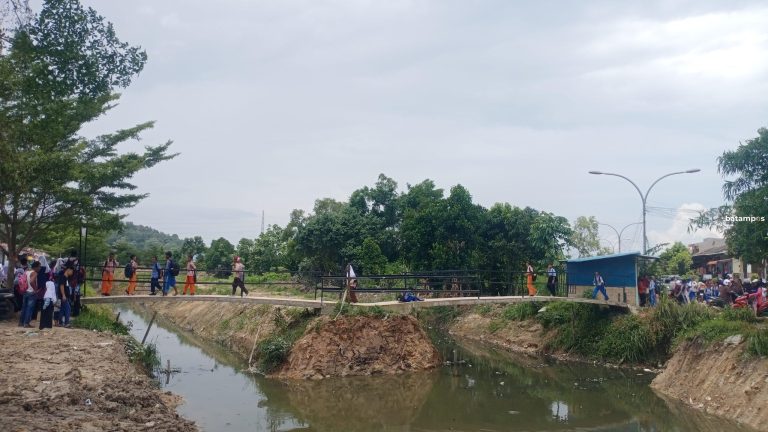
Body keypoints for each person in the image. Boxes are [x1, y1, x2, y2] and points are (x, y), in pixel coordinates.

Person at [19, 261, 40, 328]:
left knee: (24, 308)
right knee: (29, 308)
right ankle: (26, 323)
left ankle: (21, 322)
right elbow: (31, 281)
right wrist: (35, 289)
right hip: (31, 293)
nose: (40, 268)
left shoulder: (27, 271)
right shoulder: (34, 273)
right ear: (36, 267)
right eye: (39, 267)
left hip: (25, 292)